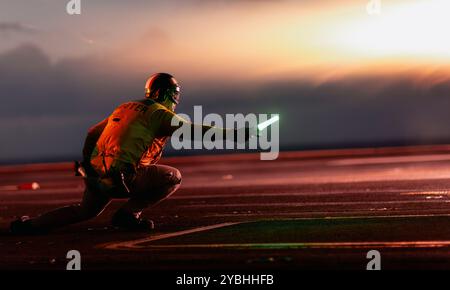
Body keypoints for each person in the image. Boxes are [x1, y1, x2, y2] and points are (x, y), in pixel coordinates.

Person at [10, 73, 250, 233]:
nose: (176, 99)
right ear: (165, 94)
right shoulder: (158, 114)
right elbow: (194, 131)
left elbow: (92, 133)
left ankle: (30, 225)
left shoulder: (124, 107)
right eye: (174, 94)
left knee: (84, 211)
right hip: (124, 179)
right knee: (173, 176)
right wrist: (235, 134)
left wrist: (87, 162)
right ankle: (129, 214)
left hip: (96, 175)